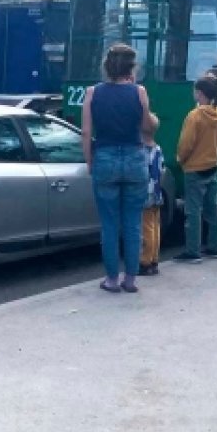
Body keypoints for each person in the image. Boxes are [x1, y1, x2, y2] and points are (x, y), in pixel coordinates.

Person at [81, 43, 153, 293]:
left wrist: (90, 159)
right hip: (134, 158)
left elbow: (87, 131)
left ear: (107, 67)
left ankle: (111, 279)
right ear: (132, 68)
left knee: (109, 223)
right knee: (133, 222)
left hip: (105, 157)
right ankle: (131, 279)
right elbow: (147, 127)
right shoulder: (140, 92)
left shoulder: (92, 93)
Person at [174, 74, 217, 264]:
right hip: (213, 166)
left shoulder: (194, 116)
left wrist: (181, 159)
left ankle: (192, 250)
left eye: (195, 91)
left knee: (193, 210)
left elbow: (186, 143)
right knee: (213, 208)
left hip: (194, 168)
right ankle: (215, 246)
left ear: (200, 93)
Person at [139, 114, 165, 277]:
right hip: (156, 191)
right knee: (155, 226)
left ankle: (145, 261)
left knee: (146, 227)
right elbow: (161, 170)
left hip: (144, 193)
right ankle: (155, 258)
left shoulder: (141, 150)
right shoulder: (158, 149)